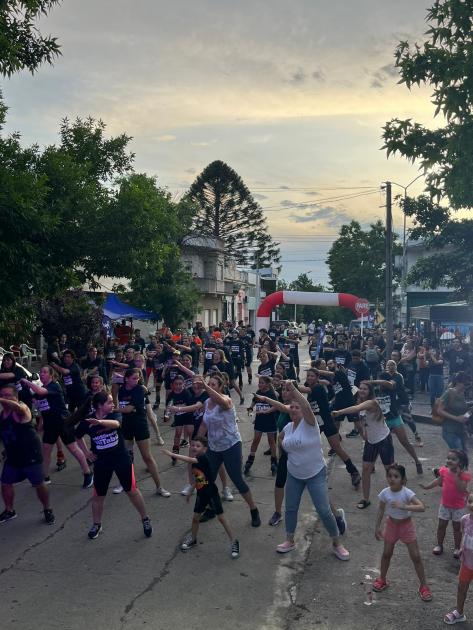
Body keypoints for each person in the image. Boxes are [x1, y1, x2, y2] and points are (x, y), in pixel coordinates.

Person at [276, 381, 349, 560]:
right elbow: (281, 441)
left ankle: (337, 543)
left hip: (315, 473)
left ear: (303, 410)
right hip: (294, 474)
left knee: (324, 510)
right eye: (291, 407)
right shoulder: (286, 428)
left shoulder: (310, 424)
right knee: (291, 508)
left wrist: (293, 389)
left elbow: (307, 405)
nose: (294, 410)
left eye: (297, 407)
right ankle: (290, 540)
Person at [75, 391, 153, 540]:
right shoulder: (87, 421)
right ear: (99, 405)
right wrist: (86, 453)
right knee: (98, 495)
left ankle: (145, 519)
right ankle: (97, 525)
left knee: (132, 491)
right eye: (109, 402)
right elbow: (77, 436)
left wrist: (100, 423)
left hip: (121, 459)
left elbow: (116, 424)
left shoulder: (114, 415)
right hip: (102, 463)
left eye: (113, 401)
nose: (113, 404)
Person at [197, 374, 261, 527]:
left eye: (213, 385)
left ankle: (254, 510)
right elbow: (204, 425)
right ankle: (211, 508)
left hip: (231, 445)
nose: (210, 386)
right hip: (213, 446)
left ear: (220, 387)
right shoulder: (207, 402)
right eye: (209, 384)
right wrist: (197, 442)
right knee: (204, 479)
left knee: (237, 480)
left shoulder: (226, 400)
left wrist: (205, 387)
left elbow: (222, 402)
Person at [161, 436, 240, 558]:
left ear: (204, 449)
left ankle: (234, 542)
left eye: (198, 446)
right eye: (192, 445)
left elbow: (188, 459)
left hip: (211, 493)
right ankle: (193, 539)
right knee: (195, 518)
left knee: (222, 518)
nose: (194, 447)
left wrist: (172, 454)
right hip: (202, 493)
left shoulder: (202, 458)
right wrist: (191, 491)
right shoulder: (196, 461)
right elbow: (199, 478)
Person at [21, 366, 94, 488]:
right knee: (46, 450)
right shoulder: (42, 389)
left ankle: (87, 473)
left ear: (51, 375)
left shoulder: (54, 386)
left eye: (44, 372)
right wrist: (40, 424)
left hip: (63, 422)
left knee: (73, 449)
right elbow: (43, 408)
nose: (42, 374)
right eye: (41, 372)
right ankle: (45, 477)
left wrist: (27, 382)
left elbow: (40, 392)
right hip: (50, 425)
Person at [373, 464, 432, 601]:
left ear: (403, 479)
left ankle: (423, 586)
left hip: (406, 526)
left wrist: (404, 506)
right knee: (386, 553)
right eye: (389, 476)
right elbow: (381, 510)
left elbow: (422, 507)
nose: (392, 479)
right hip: (392, 525)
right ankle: (382, 579)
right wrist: (377, 527)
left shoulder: (407, 493)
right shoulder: (385, 493)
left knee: (416, 556)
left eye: (396, 476)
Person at [332, 381, 394, 509]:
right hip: (371, 441)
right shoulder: (360, 403)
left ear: (370, 391)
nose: (362, 390)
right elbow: (360, 422)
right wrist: (364, 436)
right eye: (360, 388)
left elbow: (355, 409)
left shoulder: (372, 402)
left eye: (365, 389)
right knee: (366, 469)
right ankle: (366, 499)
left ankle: (398, 496)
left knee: (390, 470)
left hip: (383, 439)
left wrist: (339, 412)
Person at [0, 384, 55, 525]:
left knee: (39, 484)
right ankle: (9, 510)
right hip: (13, 457)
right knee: (5, 483)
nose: (4, 398)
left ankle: (47, 508)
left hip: (31, 455)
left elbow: (18, 408)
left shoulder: (22, 409)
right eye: (2, 395)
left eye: (8, 395)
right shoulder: (2, 414)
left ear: (16, 397)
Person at [302, 369, 360, 489]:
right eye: (308, 376)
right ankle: (309, 473)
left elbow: (305, 390)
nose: (309, 378)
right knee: (308, 446)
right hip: (316, 423)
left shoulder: (317, 388)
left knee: (336, 447)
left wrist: (290, 385)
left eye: (312, 376)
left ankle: (353, 471)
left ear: (317, 377)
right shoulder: (313, 387)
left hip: (327, 422)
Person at [117, 369, 170, 497]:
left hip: (140, 426)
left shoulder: (140, 390)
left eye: (138, 378)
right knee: (127, 456)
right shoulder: (122, 390)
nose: (137, 380)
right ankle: (126, 483)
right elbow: (123, 406)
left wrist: (111, 409)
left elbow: (129, 409)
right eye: (134, 378)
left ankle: (159, 487)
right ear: (126, 379)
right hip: (126, 426)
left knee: (147, 457)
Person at [372, 361, 424, 475]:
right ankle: (371, 465)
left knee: (404, 441)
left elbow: (390, 384)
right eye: (388, 365)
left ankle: (417, 462)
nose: (380, 384)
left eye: (392, 365)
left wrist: (373, 381)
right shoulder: (377, 390)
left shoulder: (394, 382)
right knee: (377, 444)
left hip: (394, 417)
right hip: (383, 420)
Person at [420, 449, 471, 558]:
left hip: (458, 507)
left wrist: (457, 476)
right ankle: (439, 545)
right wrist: (427, 487)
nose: (449, 461)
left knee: (457, 528)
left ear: (460, 462)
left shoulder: (464, 475)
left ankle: (457, 548)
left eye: (453, 459)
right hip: (445, 505)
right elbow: (438, 481)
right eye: (448, 458)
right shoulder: (444, 470)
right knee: (441, 526)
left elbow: (462, 489)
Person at [444, 492, 473, 624]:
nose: (472, 505)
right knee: (462, 587)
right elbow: (464, 535)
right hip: (467, 562)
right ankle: (459, 612)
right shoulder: (465, 519)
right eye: (470, 501)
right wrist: (461, 548)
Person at [244, 376, 279, 477]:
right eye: (259, 382)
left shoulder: (272, 394)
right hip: (259, 421)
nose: (260, 384)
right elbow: (254, 401)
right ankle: (250, 459)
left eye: (262, 383)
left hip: (270, 421)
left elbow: (276, 406)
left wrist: (265, 411)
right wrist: (251, 408)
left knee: (271, 441)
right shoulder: (258, 391)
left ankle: (273, 461)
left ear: (268, 384)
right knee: (256, 440)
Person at [437, 372, 470, 452]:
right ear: (458, 382)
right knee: (459, 453)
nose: (466, 386)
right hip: (449, 430)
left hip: (461, 430)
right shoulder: (448, 393)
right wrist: (456, 418)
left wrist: (467, 414)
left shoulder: (462, 394)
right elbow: (439, 410)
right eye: (465, 384)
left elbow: (463, 409)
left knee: (462, 456)